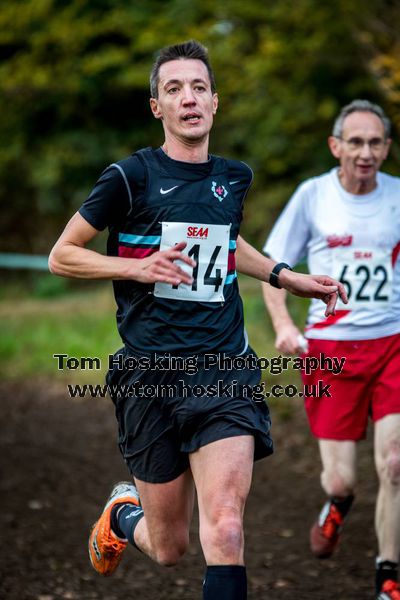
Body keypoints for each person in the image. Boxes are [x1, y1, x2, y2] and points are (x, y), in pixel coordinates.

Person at [49, 40, 346, 600]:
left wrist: (288, 275)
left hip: (223, 369)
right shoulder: (129, 177)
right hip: (149, 374)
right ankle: (121, 516)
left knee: (227, 527)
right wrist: (135, 268)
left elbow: (227, 242)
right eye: (174, 89)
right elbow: (62, 254)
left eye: (199, 87)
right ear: (157, 106)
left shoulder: (233, 178)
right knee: (168, 546)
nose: (189, 98)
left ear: (215, 102)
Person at [262, 99, 400, 600]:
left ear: (386, 148)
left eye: (376, 142)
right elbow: (273, 269)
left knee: (395, 463)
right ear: (335, 146)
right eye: (356, 142)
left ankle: (388, 577)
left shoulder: (398, 197)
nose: (366, 152)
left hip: (392, 346)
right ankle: (339, 503)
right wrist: (282, 325)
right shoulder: (312, 196)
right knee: (340, 478)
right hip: (330, 351)